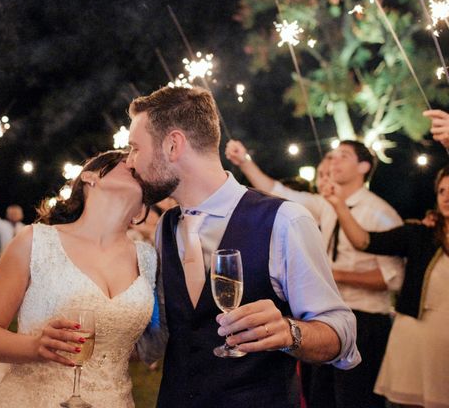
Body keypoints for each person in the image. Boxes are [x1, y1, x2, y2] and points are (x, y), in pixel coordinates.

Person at [128, 87, 359, 407]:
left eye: (135, 148)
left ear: (173, 144)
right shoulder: (165, 228)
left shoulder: (285, 221)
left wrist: (290, 333)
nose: (130, 162)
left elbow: (341, 335)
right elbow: (166, 334)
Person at [0, 150, 156, 407]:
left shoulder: (149, 257)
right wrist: (35, 347)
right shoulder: (36, 242)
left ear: (141, 210)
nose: (136, 163)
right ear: (90, 178)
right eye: (127, 163)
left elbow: (147, 343)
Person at [226, 138, 404, 408]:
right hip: (323, 322)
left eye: (343, 155)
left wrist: (332, 274)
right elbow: (277, 192)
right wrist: (244, 162)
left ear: (364, 166)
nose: (333, 160)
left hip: (366, 321)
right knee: (318, 398)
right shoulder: (326, 205)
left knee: (356, 400)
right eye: (332, 155)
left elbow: (393, 278)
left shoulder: (380, 212)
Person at [322, 163, 449, 407]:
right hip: (418, 330)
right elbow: (365, 241)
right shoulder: (420, 233)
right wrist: (339, 205)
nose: (446, 197)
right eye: (442, 191)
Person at [0, 192, 25, 258]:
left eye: (16, 213)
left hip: (19, 259)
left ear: (21, 215)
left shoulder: (24, 228)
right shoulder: (3, 226)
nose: (14, 215)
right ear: (7, 215)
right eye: (12, 213)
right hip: (3, 259)